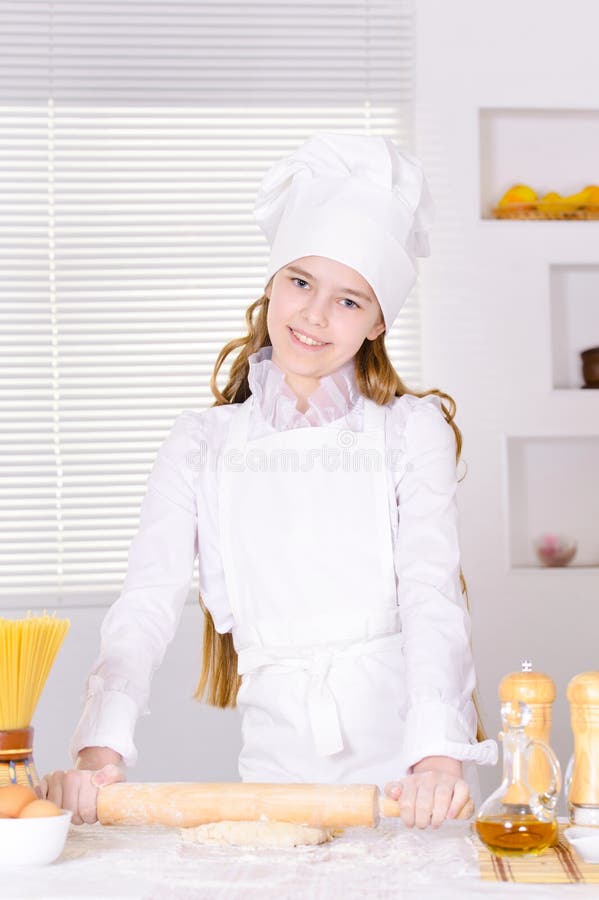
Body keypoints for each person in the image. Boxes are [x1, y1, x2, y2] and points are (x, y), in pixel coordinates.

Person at [42, 132, 498, 829]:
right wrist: (98, 748)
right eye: (301, 282)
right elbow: (146, 603)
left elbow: (432, 595)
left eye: (349, 301)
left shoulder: (410, 430)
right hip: (272, 778)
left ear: (378, 322)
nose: (314, 315)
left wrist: (436, 758)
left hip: (411, 776)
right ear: (272, 282)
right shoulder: (201, 444)